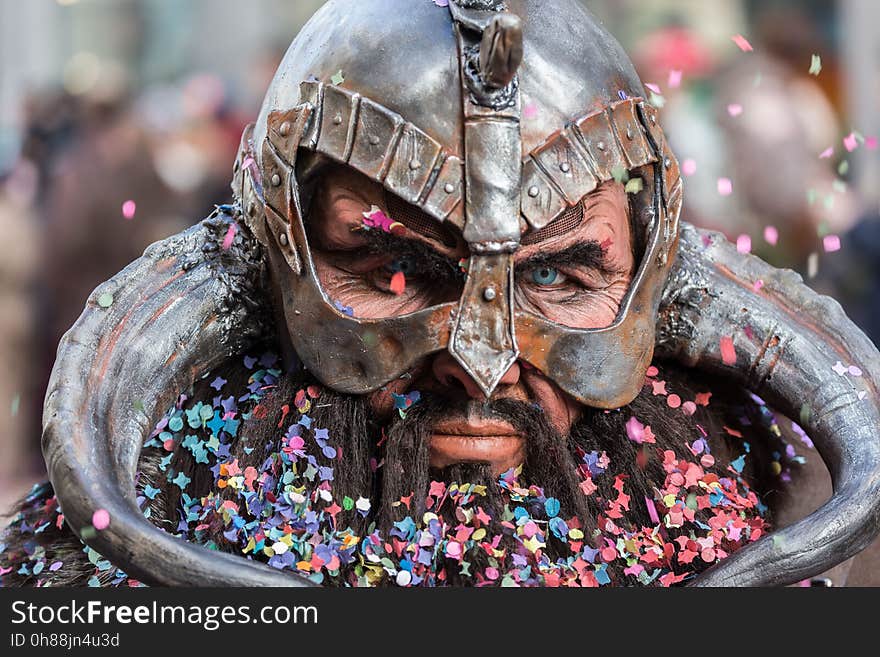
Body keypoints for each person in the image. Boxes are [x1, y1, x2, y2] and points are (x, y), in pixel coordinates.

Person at [3, 0, 879, 588]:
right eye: (397, 271)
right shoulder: (109, 569)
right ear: (276, 262)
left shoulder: (769, 518)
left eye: (557, 273)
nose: (484, 364)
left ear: (646, 277)